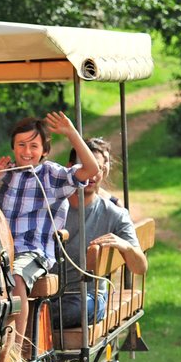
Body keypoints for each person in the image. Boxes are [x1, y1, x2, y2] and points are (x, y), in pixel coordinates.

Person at [0, 112, 99, 352]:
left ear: (45, 150)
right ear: (13, 148)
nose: (27, 151)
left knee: (15, 277)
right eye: (21, 145)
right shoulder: (5, 174)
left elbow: (90, 169)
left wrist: (71, 134)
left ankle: (14, 353)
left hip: (32, 252)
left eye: (34, 146)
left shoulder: (51, 175)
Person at [57, 137, 148, 328]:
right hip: (47, 295)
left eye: (96, 168)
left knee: (76, 310)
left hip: (86, 296)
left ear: (103, 171)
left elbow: (140, 268)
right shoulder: (52, 206)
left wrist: (126, 247)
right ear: (70, 168)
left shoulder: (114, 214)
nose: (91, 175)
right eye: (85, 167)